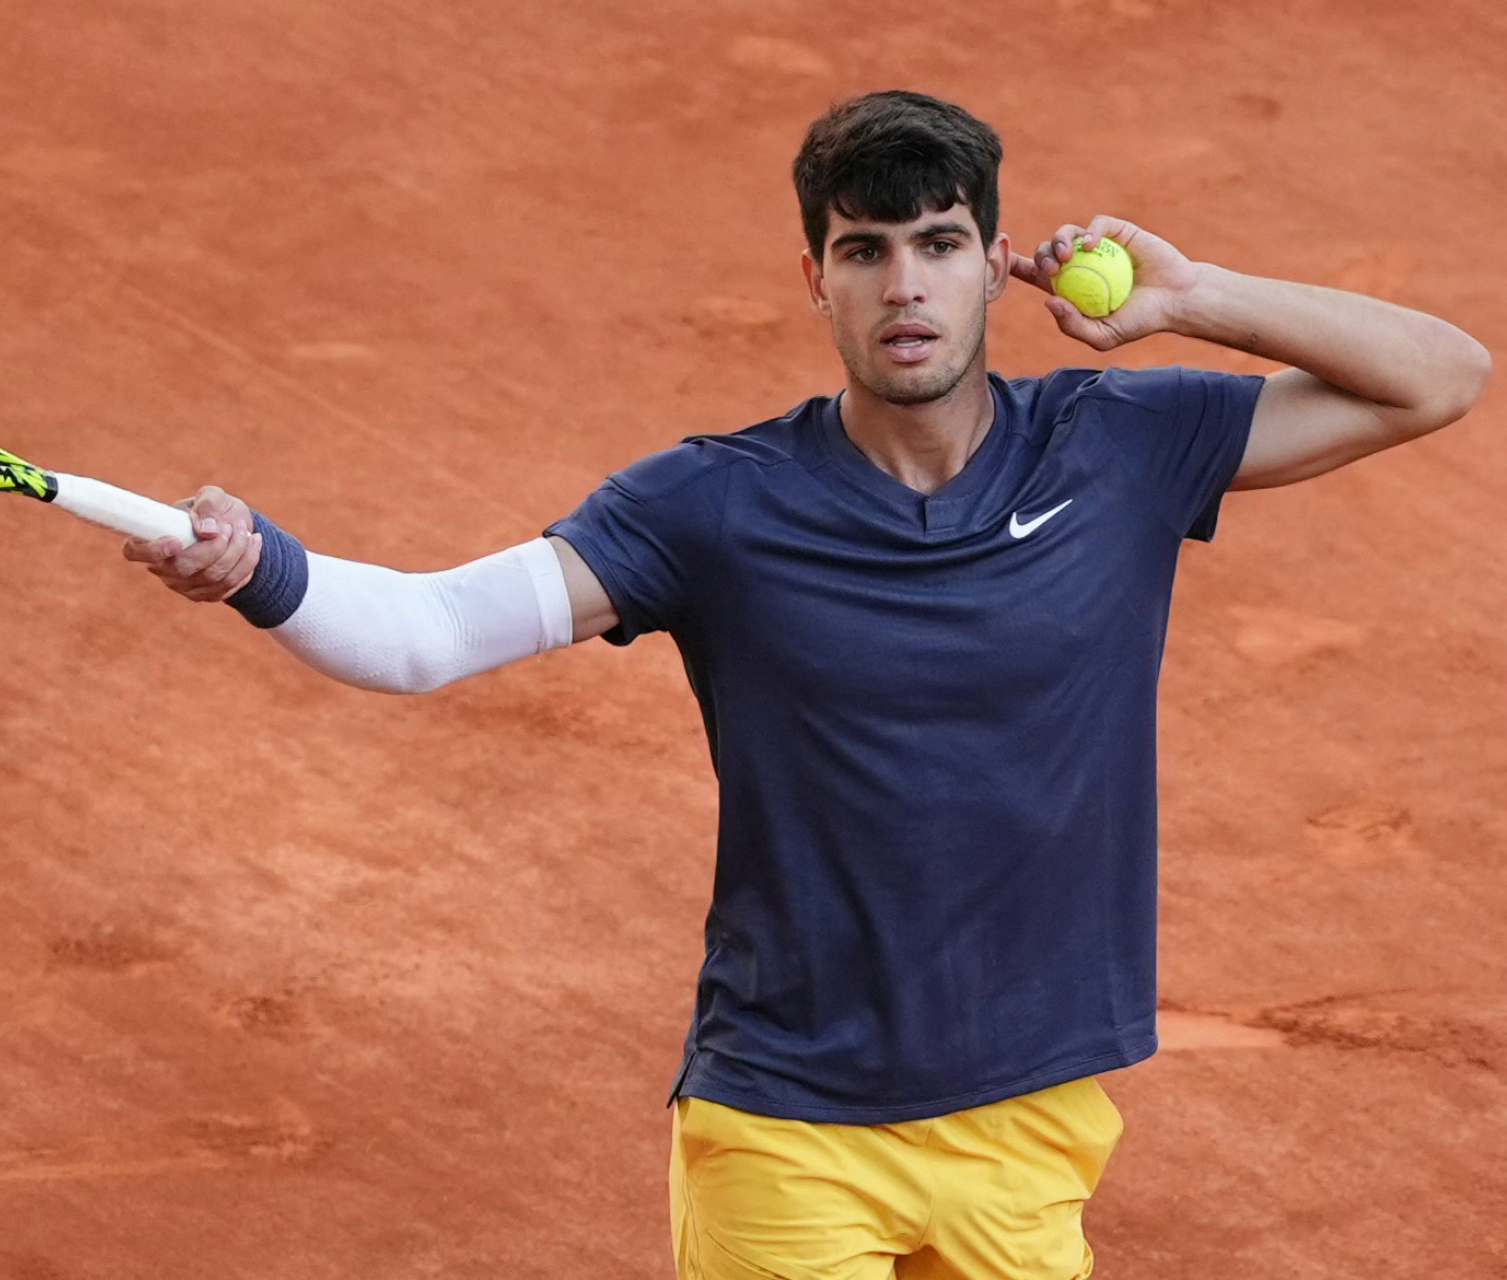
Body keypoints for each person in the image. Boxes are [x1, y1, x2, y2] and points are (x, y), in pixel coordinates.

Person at [122, 90, 1490, 1280]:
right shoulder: (712, 509)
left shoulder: (1119, 445)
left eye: (941, 246)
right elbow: (425, 634)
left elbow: (1442, 376)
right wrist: (259, 569)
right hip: (787, 1129)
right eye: (866, 251)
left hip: (1030, 1121)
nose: (905, 285)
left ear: (988, 267)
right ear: (815, 280)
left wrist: (1197, 301)